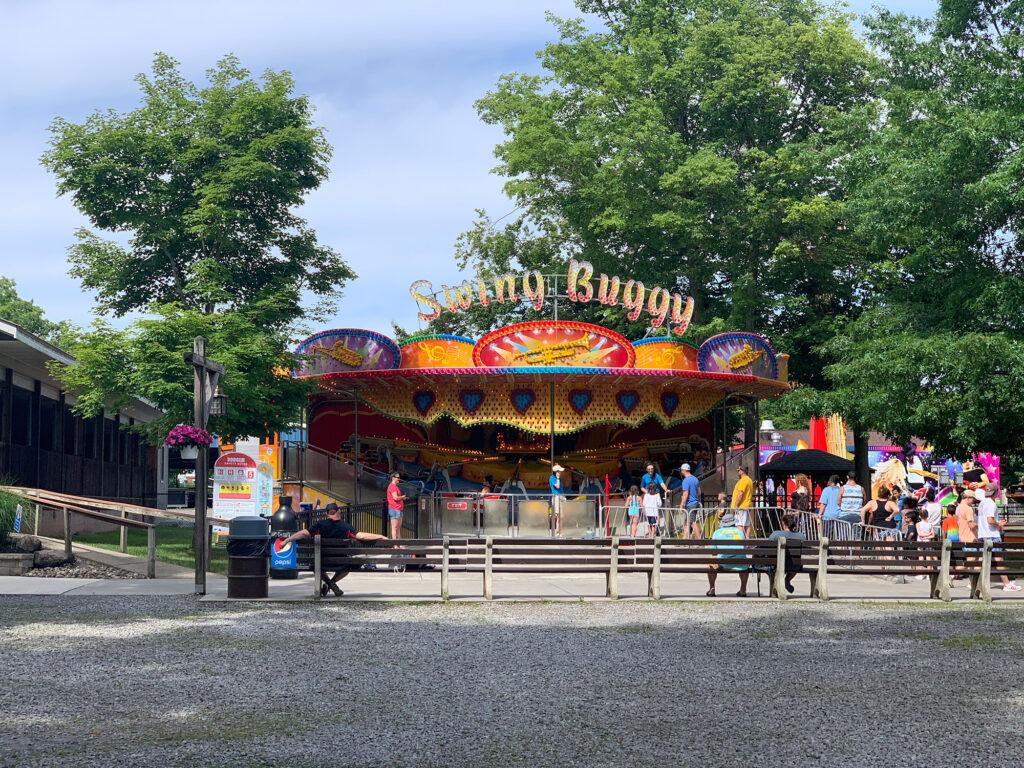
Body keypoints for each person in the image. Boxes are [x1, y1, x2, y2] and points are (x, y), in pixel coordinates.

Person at [277, 502, 388, 597]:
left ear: (326, 513)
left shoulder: (320, 525)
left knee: (315, 566)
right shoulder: (346, 527)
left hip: (322, 563)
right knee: (349, 565)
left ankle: (329, 583)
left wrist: (287, 540)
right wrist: (380, 536)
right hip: (341, 563)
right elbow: (361, 536)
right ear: (339, 511)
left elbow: (303, 533)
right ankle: (332, 583)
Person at [977, 485, 1019, 591]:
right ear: (995, 493)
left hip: (983, 535)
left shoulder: (982, 503)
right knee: (999, 560)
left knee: (982, 560)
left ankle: (973, 581)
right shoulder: (991, 504)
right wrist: (999, 524)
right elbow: (990, 520)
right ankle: (1006, 584)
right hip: (992, 535)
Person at [706, 512, 749, 597]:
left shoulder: (717, 533)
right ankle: (743, 589)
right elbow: (744, 548)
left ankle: (712, 589)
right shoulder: (740, 532)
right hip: (740, 564)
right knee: (743, 559)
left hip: (723, 563)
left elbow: (713, 552)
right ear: (733, 523)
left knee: (711, 560)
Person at [768, 513, 807, 594]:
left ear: (783, 523)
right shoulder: (801, 536)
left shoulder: (775, 534)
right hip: (794, 565)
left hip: (776, 564)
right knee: (797, 561)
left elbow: (768, 546)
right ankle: (787, 580)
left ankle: (776, 585)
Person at [679, 463, 702, 539]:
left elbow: (685, 494)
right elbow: (699, 492)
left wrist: (681, 505)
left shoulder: (686, 481)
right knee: (687, 522)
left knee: (692, 522)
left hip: (690, 504)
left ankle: (699, 540)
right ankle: (684, 539)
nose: (681, 471)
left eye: (681, 470)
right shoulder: (695, 479)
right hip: (695, 502)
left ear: (684, 470)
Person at [730, 466, 753, 536]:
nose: (738, 472)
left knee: (740, 525)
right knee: (746, 526)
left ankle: (740, 543)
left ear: (742, 471)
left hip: (741, 506)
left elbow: (741, 493)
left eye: (739, 470)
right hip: (746, 506)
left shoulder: (743, 480)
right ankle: (747, 544)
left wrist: (736, 505)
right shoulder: (749, 480)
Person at [386, 472, 407, 541]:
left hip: (398, 508)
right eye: (397, 478)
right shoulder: (392, 486)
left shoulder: (395, 487)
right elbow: (395, 497)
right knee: (395, 527)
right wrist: (402, 497)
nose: (399, 479)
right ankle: (395, 543)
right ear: (393, 478)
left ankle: (399, 543)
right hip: (394, 508)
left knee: (398, 527)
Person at [549, 463, 565, 536]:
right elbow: (557, 486)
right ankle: (558, 531)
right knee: (558, 515)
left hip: (562, 496)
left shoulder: (560, 478)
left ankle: (560, 530)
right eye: (559, 471)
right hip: (556, 497)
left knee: (562, 515)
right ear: (556, 472)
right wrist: (558, 478)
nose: (560, 473)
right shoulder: (552, 478)